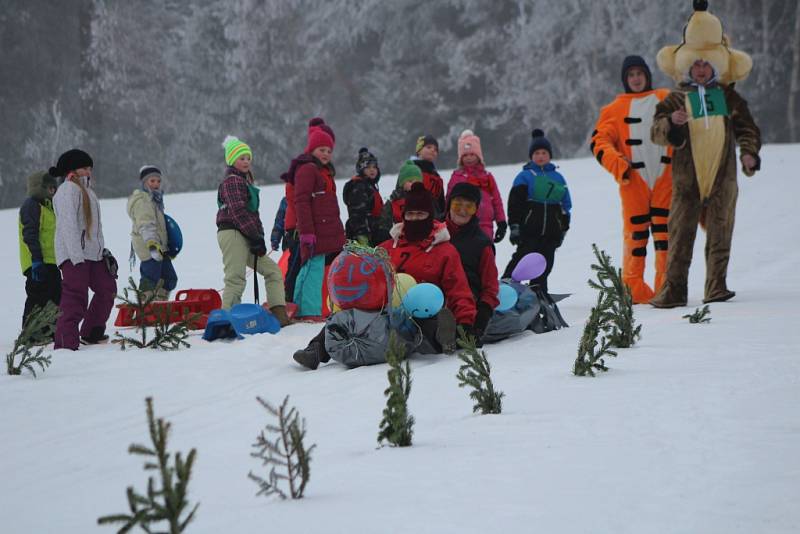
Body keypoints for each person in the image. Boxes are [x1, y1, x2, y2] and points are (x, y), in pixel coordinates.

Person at [292, 183, 475, 370]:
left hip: (420, 311)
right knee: (348, 313)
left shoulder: (445, 251)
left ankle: (440, 339)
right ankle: (316, 349)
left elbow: (458, 289)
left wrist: (466, 323)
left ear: (430, 217)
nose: (415, 218)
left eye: (421, 214)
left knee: (421, 319)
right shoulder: (387, 247)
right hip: (384, 307)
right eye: (410, 214)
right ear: (404, 216)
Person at [649, 2, 760, 308]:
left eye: (705, 65)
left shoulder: (728, 96)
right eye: (695, 64)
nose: (700, 70)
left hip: (722, 177)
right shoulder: (676, 99)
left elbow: (747, 128)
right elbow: (655, 130)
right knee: (680, 234)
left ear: (715, 66)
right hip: (687, 180)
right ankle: (674, 290)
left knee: (721, 231)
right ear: (687, 67)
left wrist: (749, 154)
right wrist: (671, 123)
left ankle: (716, 286)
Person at [590, 55, 673, 303]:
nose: (636, 79)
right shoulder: (614, 110)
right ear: (625, 80)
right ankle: (633, 287)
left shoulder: (666, 98)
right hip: (633, 182)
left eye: (639, 73)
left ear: (647, 75)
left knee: (666, 236)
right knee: (635, 236)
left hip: (665, 180)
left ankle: (668, 285)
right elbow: (599, 141)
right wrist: (619, 165)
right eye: (631, 75)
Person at [216, 136, 289, 325]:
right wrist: (255, 236)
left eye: (248, 157)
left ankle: (279, 315)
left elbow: (253, 215)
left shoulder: (245, 181)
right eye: (241, 158)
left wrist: (260, 239)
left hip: (245, 234)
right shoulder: (232, 181)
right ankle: (226, 321)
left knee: (273, 271)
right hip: (232, 233)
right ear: (232, 160)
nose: (246, 161)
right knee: (236, 278)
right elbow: (238, 211)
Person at [50, 149, 117, 350]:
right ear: (72, 170)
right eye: (84, 168)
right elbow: (68, 225)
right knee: (75, 298)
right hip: (74, 255)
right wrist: (75, 257)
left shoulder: (89, 192)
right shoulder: (67, 190)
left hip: (93, 255)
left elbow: (94, 230)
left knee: (107, 289)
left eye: (90, 168)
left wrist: (102, 251)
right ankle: (65, 342)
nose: (88, 172)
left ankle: (91, 332)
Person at [503, 130, 572, 293]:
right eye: (536, 153)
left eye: (544, 152)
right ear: (531, 156)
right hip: (529, 232)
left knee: (545, 265)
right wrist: (514, 226)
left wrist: (563, 228)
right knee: (521, 261)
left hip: (551, 234)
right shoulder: (524, 176)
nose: (540, 156)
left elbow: (566, 205)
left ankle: (539, 291)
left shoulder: (558, 177)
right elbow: (515, 204)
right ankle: (506, 287)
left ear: (549, 155)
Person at [291, 118, 346, 319]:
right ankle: (307, 310)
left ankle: (309, 308)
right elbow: (302, 202)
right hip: (313, 231)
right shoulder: (307, 169)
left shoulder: (323, 172)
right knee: (311, 271)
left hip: (325, 231)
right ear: (312, 149)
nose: (326, 154)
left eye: (329, 151)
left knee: (316, 271)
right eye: (321, 149)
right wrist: (306, 232)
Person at [445, 182, 499, 343]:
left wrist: (483, 313)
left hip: (467, 300)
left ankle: (453, 331)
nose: (462, 211)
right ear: (449, 205)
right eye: (457, 205)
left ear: (476, 210)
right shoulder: (434, 232)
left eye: (469, 207)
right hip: (435, 294)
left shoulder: (481, 243)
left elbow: (490, 284)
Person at [18, 170, 61, 333]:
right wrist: (36, 260)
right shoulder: (31, 206)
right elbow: (30, 234)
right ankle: (31, 333)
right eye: (50, 188)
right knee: (38, 297)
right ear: (39, 188)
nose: (53, 192)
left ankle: (48, 331)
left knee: (55, 295)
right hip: (36, 262)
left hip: (51, 261)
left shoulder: (48, 206)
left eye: (54, 189)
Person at [447, 130, 507, 243]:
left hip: (485, 224)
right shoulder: (457, 177)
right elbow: (448, 199)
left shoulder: (487, 177)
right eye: (465, 155)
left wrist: (501, 221)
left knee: (485, 253)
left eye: (472, 154)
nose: (469, 158)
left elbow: (497, 200)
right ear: (460, 158)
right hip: (462, 222)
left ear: (478, 155)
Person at [127, 165, 177, 301]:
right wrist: (152, 244)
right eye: (152, 181)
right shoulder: (143, 201)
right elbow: (146, 225)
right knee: (150, 278)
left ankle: (159, 305)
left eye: (158, 181)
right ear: (144, 182)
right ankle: (146, 305)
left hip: (160, 247)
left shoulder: (155, 200)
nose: (156, 184)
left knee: (169, 278)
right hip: (149, 247)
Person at [343, 147, 384, 246]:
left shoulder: (370, 186)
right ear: (361, 169)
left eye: (374, 167)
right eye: (368, 167)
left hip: (374, 232)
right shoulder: (359, 187)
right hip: (363, 235)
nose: (372, 170)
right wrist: (362, 235)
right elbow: (357, 214)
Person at [411, 135, 446, 220]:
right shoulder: (411, 170)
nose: (432, 150)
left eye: (435, 149)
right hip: (415, 218)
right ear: (419, 151)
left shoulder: (436, 175)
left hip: (436, 220)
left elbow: (441, 201)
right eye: (429, 147)